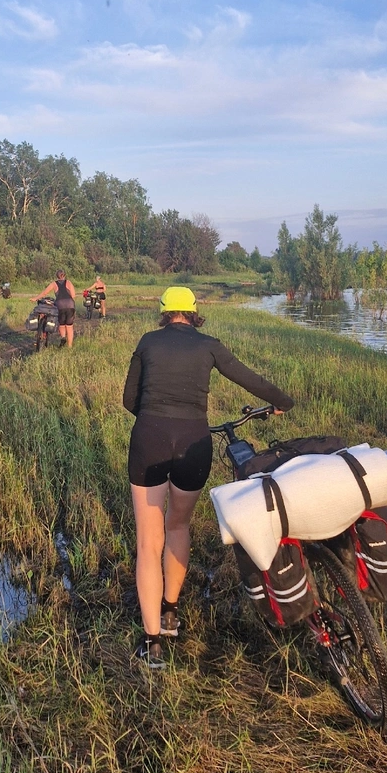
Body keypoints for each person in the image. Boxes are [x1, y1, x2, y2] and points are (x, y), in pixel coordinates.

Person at [122, 286, 295, 669]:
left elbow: (128, 400)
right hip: (194, 442)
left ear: (165, 312)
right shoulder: (209, 345)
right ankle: (170, 613)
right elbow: (248, 378)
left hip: (149, 439)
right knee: (178, 527)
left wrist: (154, 418)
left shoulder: (148, 342)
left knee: (148, 543)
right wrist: (282, 401)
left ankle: (152, 645)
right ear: (195, 312)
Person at [36, 269, 76, 347]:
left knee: (61, 324)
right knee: (69, 326)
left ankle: (63, 337)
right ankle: (70, 346)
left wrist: (35, 298)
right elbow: (73, 295)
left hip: (60, 305)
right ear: (64, 275)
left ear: (56, 276)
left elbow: (44, 293)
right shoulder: (68, 282)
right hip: (70, 305)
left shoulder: (54, 284)